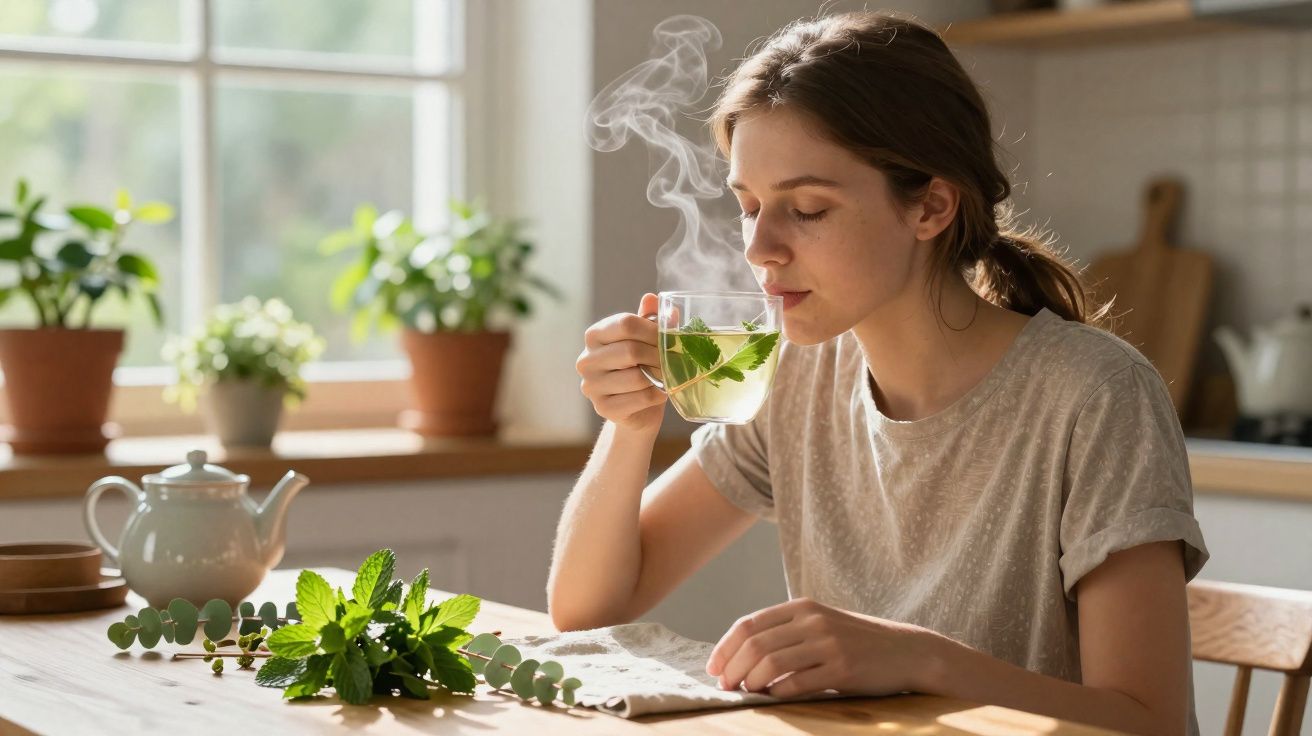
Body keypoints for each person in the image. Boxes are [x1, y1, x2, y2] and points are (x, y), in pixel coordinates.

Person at [549, 10, 1208, 735]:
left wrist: (922, 661)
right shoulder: (796, 376)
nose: (760, 247)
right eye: (748, 207)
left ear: (930, 204)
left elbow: (1149, 724)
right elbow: (588, 610)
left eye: (806, 209)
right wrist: (629, 426)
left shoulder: (1095, 395)